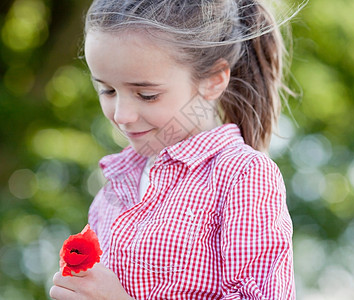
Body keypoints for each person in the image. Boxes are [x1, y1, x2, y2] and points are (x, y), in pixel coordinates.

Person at [50, 0, 299, 299]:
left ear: (213, 81)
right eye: (108, 90)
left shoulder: (242, 177)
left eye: (147, 95)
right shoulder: (116, 185)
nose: (121, 115)